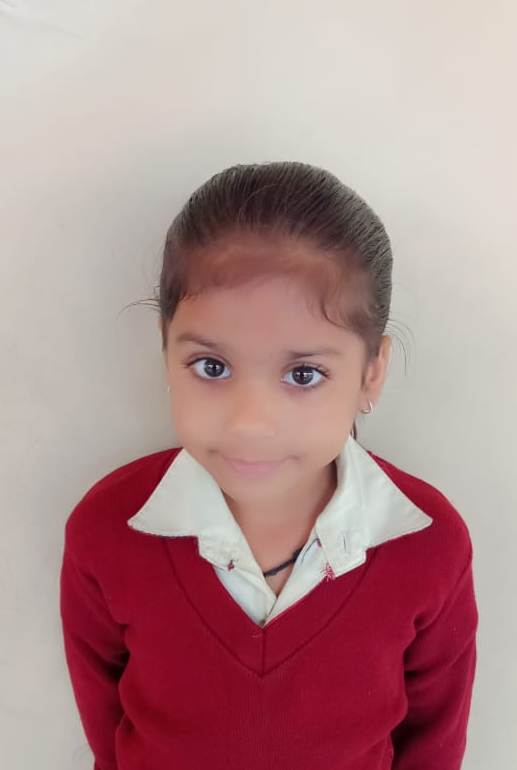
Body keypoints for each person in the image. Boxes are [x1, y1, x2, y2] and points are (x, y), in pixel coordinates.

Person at [59, 160, 478, 770]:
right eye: (211, 367)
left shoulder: (427, 545)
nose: (250, 422)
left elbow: (433, 744)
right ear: (165, 347)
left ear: (372, 372)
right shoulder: (107, 530)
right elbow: (108, 730)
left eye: (303, 374)